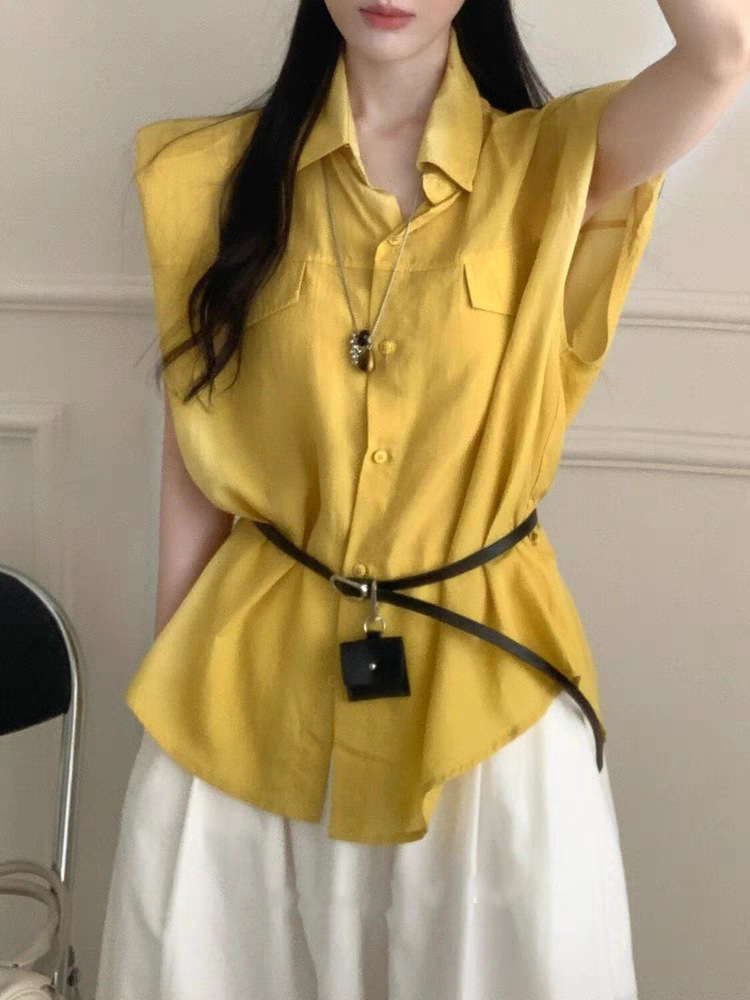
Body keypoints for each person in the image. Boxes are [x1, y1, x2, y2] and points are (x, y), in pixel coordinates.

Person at [95, 0, 749, 997]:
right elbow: (196, 451)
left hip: (486, 708)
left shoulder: (553, 164)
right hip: (246, 702)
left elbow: (722, 51)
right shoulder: (208, 175)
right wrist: (171, 696)